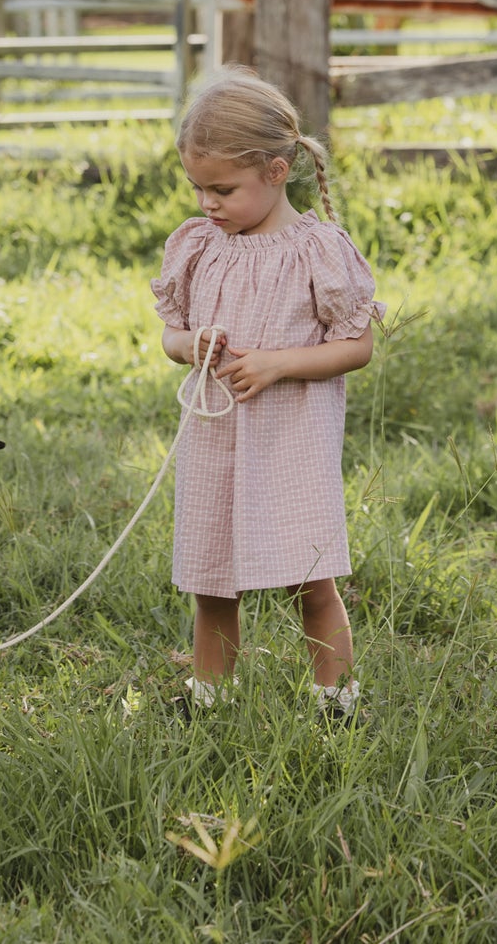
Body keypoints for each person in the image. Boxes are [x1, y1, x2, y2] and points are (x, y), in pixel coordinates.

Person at [151, 66, 380, 721]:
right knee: (210, 581)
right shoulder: (200, 245)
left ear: (277, 171)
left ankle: (336, 703)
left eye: (221, 188)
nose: (206, 202)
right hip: (216, 443)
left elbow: (356, 344)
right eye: (197, 187)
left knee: (310, 580)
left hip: (289, 445)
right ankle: (208, 699)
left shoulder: (315, 250)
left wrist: (278, 363)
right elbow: (170, 335)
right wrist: (190, 342)